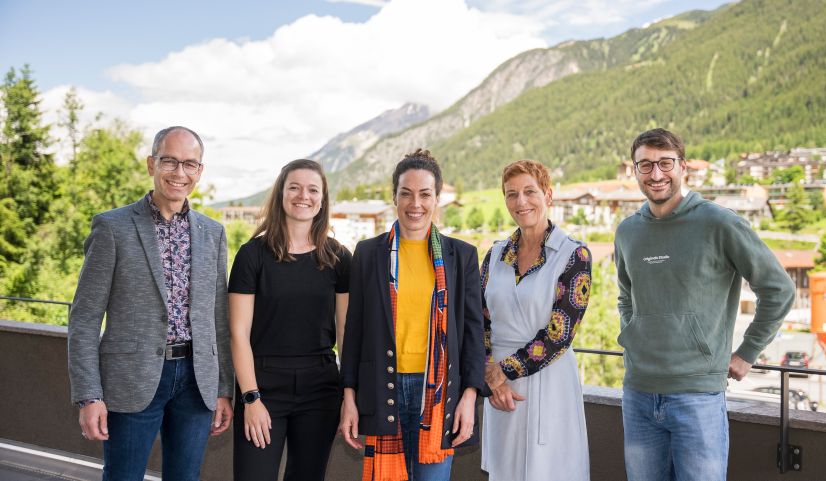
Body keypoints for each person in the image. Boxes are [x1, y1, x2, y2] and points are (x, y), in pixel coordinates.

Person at [615, 128, 796, 481]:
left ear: (683, 168)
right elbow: (626, 296)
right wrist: (635, 338)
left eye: (665, 163)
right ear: (634, 171)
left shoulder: (720, 223)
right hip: (637, 392)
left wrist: (747, 352)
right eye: (645, 165)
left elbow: (779, 290)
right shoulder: (627, 232)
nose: (656, 174)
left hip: (697, 395)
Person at [68, 126, 234, 480]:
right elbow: (83, 318)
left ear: (199, 171)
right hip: (131, 378)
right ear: (151, 164)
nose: (179, 172)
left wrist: (223, 389)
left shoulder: (213, 233)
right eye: (169, 161)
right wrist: (89, 395)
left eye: (190, 164)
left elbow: (218, 318)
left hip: (196, 382)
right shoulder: (112, 227)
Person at [339, 149, 484, 481]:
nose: (415, 203)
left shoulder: (461, 257)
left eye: (424, 194)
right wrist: (348, 396)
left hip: (437, 395)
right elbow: (355, 330)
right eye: (406, 193)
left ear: (437, 199)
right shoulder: (368, 254)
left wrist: (469, 396)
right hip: (381, 388)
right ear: (394, 197)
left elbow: (474, 333)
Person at [228, 159, 350, 481]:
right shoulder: (252, 255)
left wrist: (348, 396)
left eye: (313, 189)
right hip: (262, 385)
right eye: (294, 187)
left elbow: (346, 336)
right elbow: (238, 333)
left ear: (322, 199)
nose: (303, 196)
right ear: (280, 193)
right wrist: (250, 398)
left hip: (320, 389)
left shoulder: (339, 258)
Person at [480, 160, 592, 481]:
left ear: (548, 195)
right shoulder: (496, 255)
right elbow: (479, 320)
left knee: (551, 471)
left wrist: (501, 371)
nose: (521, 202)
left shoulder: (574, 255)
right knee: (506, 471)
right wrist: (490, 376)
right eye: (511, 194)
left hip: (550, 382)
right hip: (499, 388)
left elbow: (559, 334)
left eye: (530, 191)